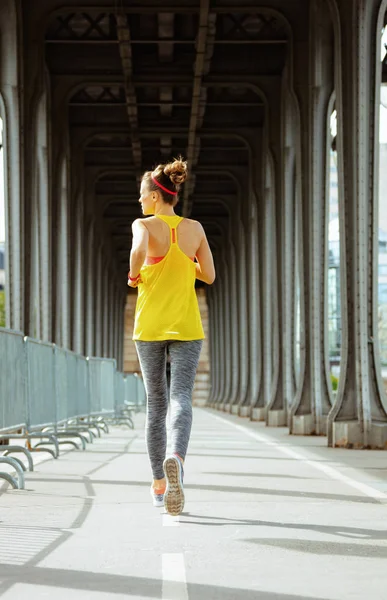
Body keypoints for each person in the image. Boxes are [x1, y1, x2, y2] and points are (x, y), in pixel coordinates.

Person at [128, 157, 215, 516]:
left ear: (153, 197)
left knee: (156, 404)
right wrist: (184, 262)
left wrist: (135, 276)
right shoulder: (195, 228)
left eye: (142, 196)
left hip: (149, 327)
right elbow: (208, 275)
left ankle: (159, 485)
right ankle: (176, 457)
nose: (139, 201)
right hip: (187, 327)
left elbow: (136, 254)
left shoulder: (144, 225)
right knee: (181, 397)